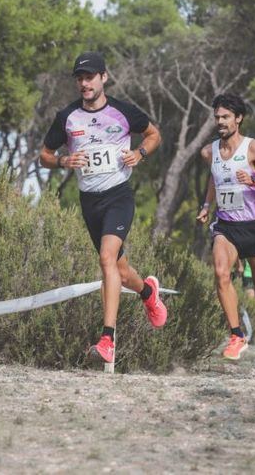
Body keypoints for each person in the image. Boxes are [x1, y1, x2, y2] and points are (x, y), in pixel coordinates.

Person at [39, 52, 167, 364]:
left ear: (103, 78)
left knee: (106, 258)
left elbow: (154, 135)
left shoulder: (123, 112)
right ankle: (149, 293)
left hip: (118, 196)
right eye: (80, 78)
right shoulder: (67, 117)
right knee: (120, 271)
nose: (84, 83)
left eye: (90, 77)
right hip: (89, 202)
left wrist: (139, 153)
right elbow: (44, 154)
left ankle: (107, 339)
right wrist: (63, 161)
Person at [196, 93, 255, 367]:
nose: (220, 122)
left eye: (225, 117)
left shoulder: (254, 149)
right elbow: (214, 178)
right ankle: (236, 336)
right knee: (221, 273)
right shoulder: (208, 152)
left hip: (253, 228)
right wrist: (206, 204)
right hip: (225, 226)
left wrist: (254, 181)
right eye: (217, 118)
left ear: (238, 118)